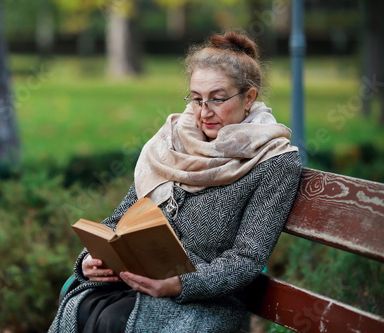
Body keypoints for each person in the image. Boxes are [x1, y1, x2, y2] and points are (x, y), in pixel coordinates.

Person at [49, 30, 302, 333]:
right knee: (85, 306)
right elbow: (121, 219)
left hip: (206, 299)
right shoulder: (171, 143)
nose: (203, 112)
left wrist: (178, 284)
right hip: (138, 283)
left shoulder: (273, 161)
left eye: (217, 99)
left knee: (113, 320)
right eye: (196, 99)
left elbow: (246, 259)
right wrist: (92, 259)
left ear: (248, 98)